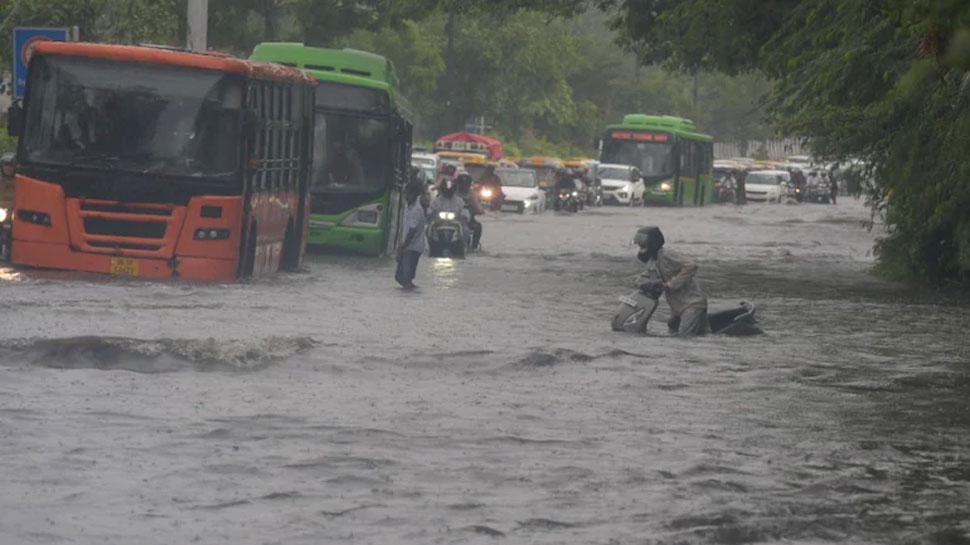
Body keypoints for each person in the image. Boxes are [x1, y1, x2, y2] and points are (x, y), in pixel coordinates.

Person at [633, 226, 710, 336]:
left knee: (684, 337)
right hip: (678, 305)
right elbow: (648, 276)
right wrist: (640, 282)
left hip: (692, 303)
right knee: (673, 327)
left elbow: (691, 266)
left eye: (643, 245)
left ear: (653, 243)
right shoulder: (653, 261)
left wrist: (671, 284)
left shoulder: (666, 254)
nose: (641, 249)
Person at [395, 181, 426, 289]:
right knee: (399, 277)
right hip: (407, 246)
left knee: (405, 277)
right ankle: (411, 293)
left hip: (413, 248)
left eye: (409, 194)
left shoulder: (416, 210)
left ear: (415, 195)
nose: (406, 196)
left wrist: (403, 248)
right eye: (406, 193)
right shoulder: (408, 207)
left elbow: (412, 232)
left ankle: (411, 293)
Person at [456, 172, 484, 250]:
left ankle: (474, 246)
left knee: (478, 227)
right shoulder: (452, 192)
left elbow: (476, 203)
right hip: (452, 218)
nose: (463, 186)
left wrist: (480, 210)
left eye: (466, 184)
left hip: (467, 218)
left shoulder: (472, 193)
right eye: (461, 183)